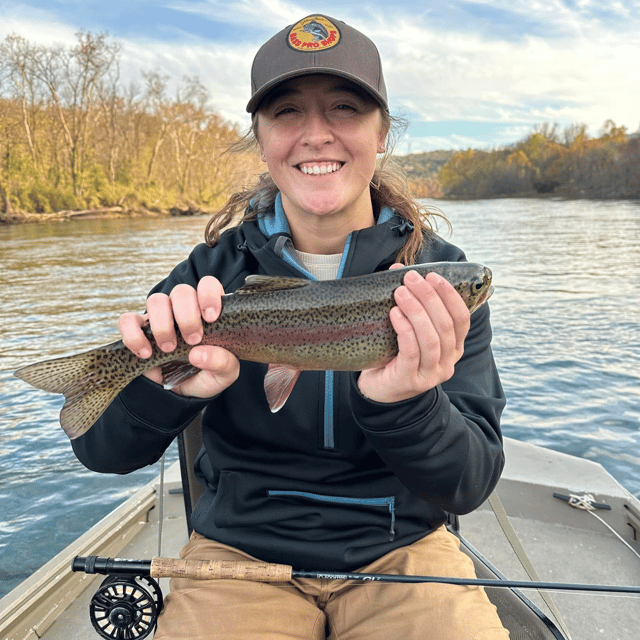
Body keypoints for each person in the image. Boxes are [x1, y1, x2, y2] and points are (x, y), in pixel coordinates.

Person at [72, 14, 508, 640]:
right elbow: (101, 451)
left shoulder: (441, 283)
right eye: (287, 112)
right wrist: (169, 389)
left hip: (401, 550)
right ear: (260, 136)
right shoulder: (209, 280)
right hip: (238, 553)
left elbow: (468, 482)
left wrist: (406, 405)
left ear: (382, 132)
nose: (316, 134)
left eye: (344, 108)